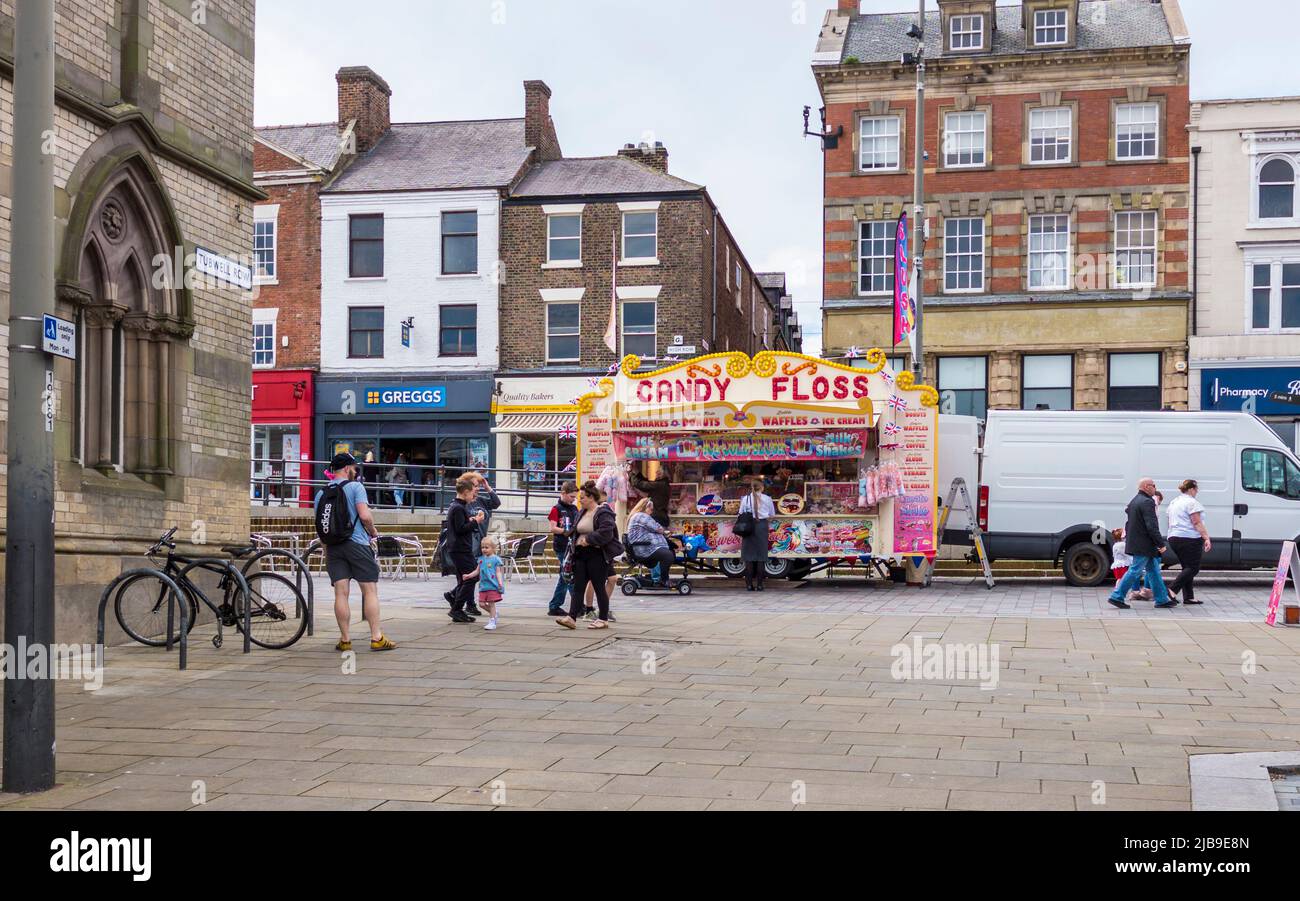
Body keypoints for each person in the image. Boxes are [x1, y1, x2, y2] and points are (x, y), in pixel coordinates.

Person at [314, 452, 396, 651]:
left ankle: (345, 639)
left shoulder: (320, 493)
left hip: (333, 546)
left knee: (340, 594)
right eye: (355, 468)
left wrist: (327, 551)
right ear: (347, 469)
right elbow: (365, 516)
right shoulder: (355, 487)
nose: (356, 472)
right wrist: (373, 532)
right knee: (369, 591)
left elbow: (321, 526)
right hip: (357, 544)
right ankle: (376, 637)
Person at [557, 484, 622, 631]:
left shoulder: (603, 512)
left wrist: (588, 540)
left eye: (582, 498)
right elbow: (576, 529)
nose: (580, 501)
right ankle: (571, 618)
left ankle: (603, 619)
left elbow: (607, 532)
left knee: (599, 587)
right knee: (578, 587)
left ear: (591, 498)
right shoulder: (582, 512)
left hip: (597, 555)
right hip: (580, 555)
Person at [1108, 477, 1174, 610]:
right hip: (1144, 544)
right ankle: (1117, 596)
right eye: (1153, 485)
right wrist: (1160, 543)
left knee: (1153, 571)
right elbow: (1151, 526)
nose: (1155, 488)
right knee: (1135, 570)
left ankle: (1161, 599)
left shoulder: (1135, 501)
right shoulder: (1147, 502)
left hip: (1138, 542)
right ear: (1145, 486)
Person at [447, 474, 487, 623]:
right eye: (472, 492)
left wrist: (471, 520)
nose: (474, 495)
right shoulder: (458, 508)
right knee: (473, 576)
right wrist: (476, 521)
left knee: (466, 578)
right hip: (460, 548)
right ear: (465, 492)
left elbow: (461, 525)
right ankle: (456, 608)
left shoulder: (459, 507)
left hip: (459, 548)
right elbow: (460, 529)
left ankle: (454, 598)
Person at [1166, 479, 1211, 605]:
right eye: (1196, 489)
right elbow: (1196, 521)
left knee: (1187, 567)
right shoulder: (1192, 503)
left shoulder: (1174, 502)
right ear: (1191, 489)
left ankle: (1189, 597)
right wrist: (1206, 537)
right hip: (1189, 538)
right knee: (1193, 568)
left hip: (1174, 537)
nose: (1197, 492)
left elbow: (1168, 518)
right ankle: (1172, 589)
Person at [546, 482, 579, 616]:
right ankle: (577, 605)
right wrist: (567, 531)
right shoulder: (556, 509)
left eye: (575, 497)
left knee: (565, 576)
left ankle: (555, 605)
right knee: (568, 575)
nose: (573, 499)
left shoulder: (574, 508)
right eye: (571, 496)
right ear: (563, 493)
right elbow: (552, 528)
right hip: (562, 546)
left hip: (572, 546)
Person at [627, 497, 675, 588]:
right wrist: (662, 531)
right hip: (644, 548)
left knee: (669, 553)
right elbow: (658, 528)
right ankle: (664, 580)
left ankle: (662, 578)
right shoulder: (641, 516)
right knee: (667, 556)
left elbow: (656, 527)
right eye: (651, 509)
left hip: (645, 546)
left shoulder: (640, 516)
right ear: (646, 507)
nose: (652, 512)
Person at [739, 478, 776, 591]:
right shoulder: (767, 499)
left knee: (748, 557)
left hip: (748, 527)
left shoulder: (745, 499)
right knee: (761, 557)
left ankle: (749, 585)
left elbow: (740, 513)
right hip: (762, 526)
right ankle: (760, 585)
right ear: (762, 488)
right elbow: (772, 514)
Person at [476, 535, 505, 630]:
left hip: (492, 585)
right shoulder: (481, 559)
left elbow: (498, 572)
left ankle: (492, 621)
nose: (484, 549)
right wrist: (468, 575)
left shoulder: (496, 559)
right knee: (481, 604)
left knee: (491, 603)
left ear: (493, 548)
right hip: (483, 586)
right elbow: (477, 571)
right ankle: (494, 613)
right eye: (482, 547)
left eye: (486, 547)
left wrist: (500, 583)